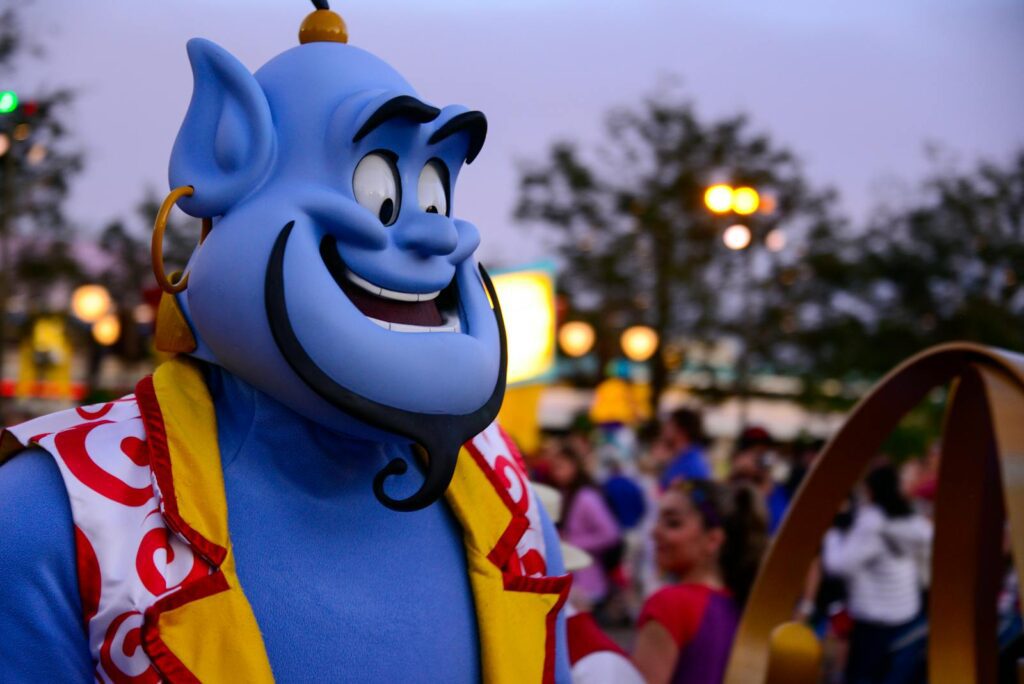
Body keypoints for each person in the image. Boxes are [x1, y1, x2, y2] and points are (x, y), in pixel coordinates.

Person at [633, 480, 768, 684]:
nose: (654, 532)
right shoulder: (745, 607)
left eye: (673, 523)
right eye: (657, 520)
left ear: (713, 539)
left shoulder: (670, 603)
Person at [823, 465, 933, 684]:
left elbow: (839, 565)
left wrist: (833, 534)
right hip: (906, 615)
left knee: (864, 676)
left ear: (871, 490)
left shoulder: (871, 522)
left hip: (872, 621)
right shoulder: (912, 521)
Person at [549, 444, 623, 609]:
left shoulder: (586, 497)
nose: (556, 473)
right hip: (576, 580)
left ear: (574, 467)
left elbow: (611, 534)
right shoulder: (567, 494)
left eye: (560, 467)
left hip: (588, 582)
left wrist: (572, 542)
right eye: (554, 468)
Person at [658, 408, 711, 489]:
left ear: (682, 431)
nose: (664, 429)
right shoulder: (680, 457)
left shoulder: (694, 464)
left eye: (669, 425)